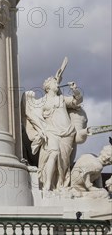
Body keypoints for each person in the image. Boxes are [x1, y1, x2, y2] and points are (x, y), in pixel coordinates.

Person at [22, 58, 87, 192]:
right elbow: (32, 115)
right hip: (51, 131)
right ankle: (46, 185)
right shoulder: (41, 102)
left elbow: (76, 102)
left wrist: (75, 90)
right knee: (53, 153)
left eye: (56, 82)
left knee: (63, 162)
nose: (56, 84)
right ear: (48, 87)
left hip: (67, 133)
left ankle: (59, 185)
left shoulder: (62, 98)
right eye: (54, 82)